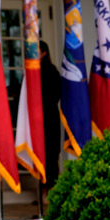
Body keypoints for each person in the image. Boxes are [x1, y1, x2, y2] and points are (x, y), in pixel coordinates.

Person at [39, 41, 61, 208]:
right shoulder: (33, 71)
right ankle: (43, 192)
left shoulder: (51, 71)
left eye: (36, 50)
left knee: (51, 155)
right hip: (38, 120)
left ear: (44, 52)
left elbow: (57, 93)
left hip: (50, 118)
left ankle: (53, 192)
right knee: (40, 155)